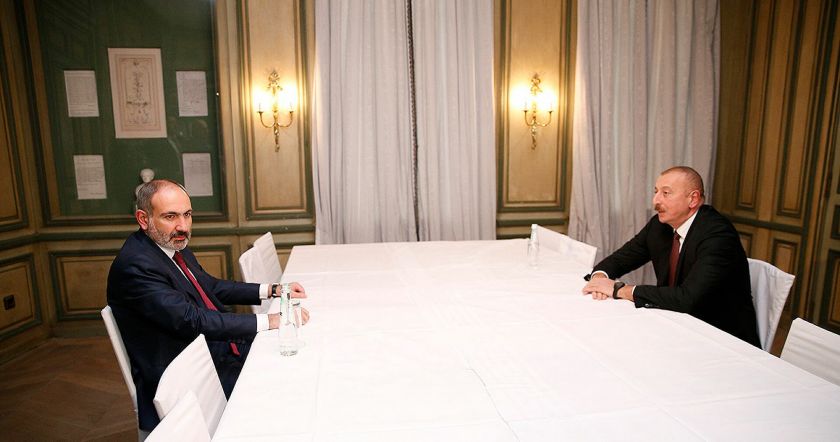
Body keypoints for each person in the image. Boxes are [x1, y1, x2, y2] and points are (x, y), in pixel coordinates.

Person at [107, 179, 309, 432]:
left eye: (187, 214)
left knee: (295, 360)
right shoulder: (136, 266)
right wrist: (270, 320)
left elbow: (210, 286)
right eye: (170, 216)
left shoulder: (170, 245)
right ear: (143, 219)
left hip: (211, 352)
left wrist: (272, 290)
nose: (183, 226)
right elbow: (191, 320)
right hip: (185, 380)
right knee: (283, 383)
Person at [581, 166, 760, 347]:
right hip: (675, 324)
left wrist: (619, 290)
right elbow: (620, 259)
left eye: (666, 193)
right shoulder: (659, 226)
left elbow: (687, 299)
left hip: (721, 338)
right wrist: (599, 278)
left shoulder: (718, 235)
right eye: (656, 192)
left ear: (693, 199)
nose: (655, 201)